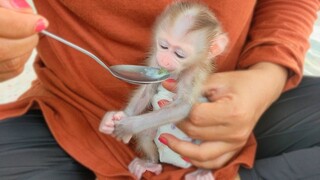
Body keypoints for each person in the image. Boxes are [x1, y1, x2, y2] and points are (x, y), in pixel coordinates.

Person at [0, 0, 319, 179]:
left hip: (233, 121)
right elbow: (143, 95)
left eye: (178, 54)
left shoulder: (196, 73)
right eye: (162, 46)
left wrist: (267, 78)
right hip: (70, 120)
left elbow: (180, 107)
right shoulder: (160, 60)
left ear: (213, 49)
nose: (164, 59)